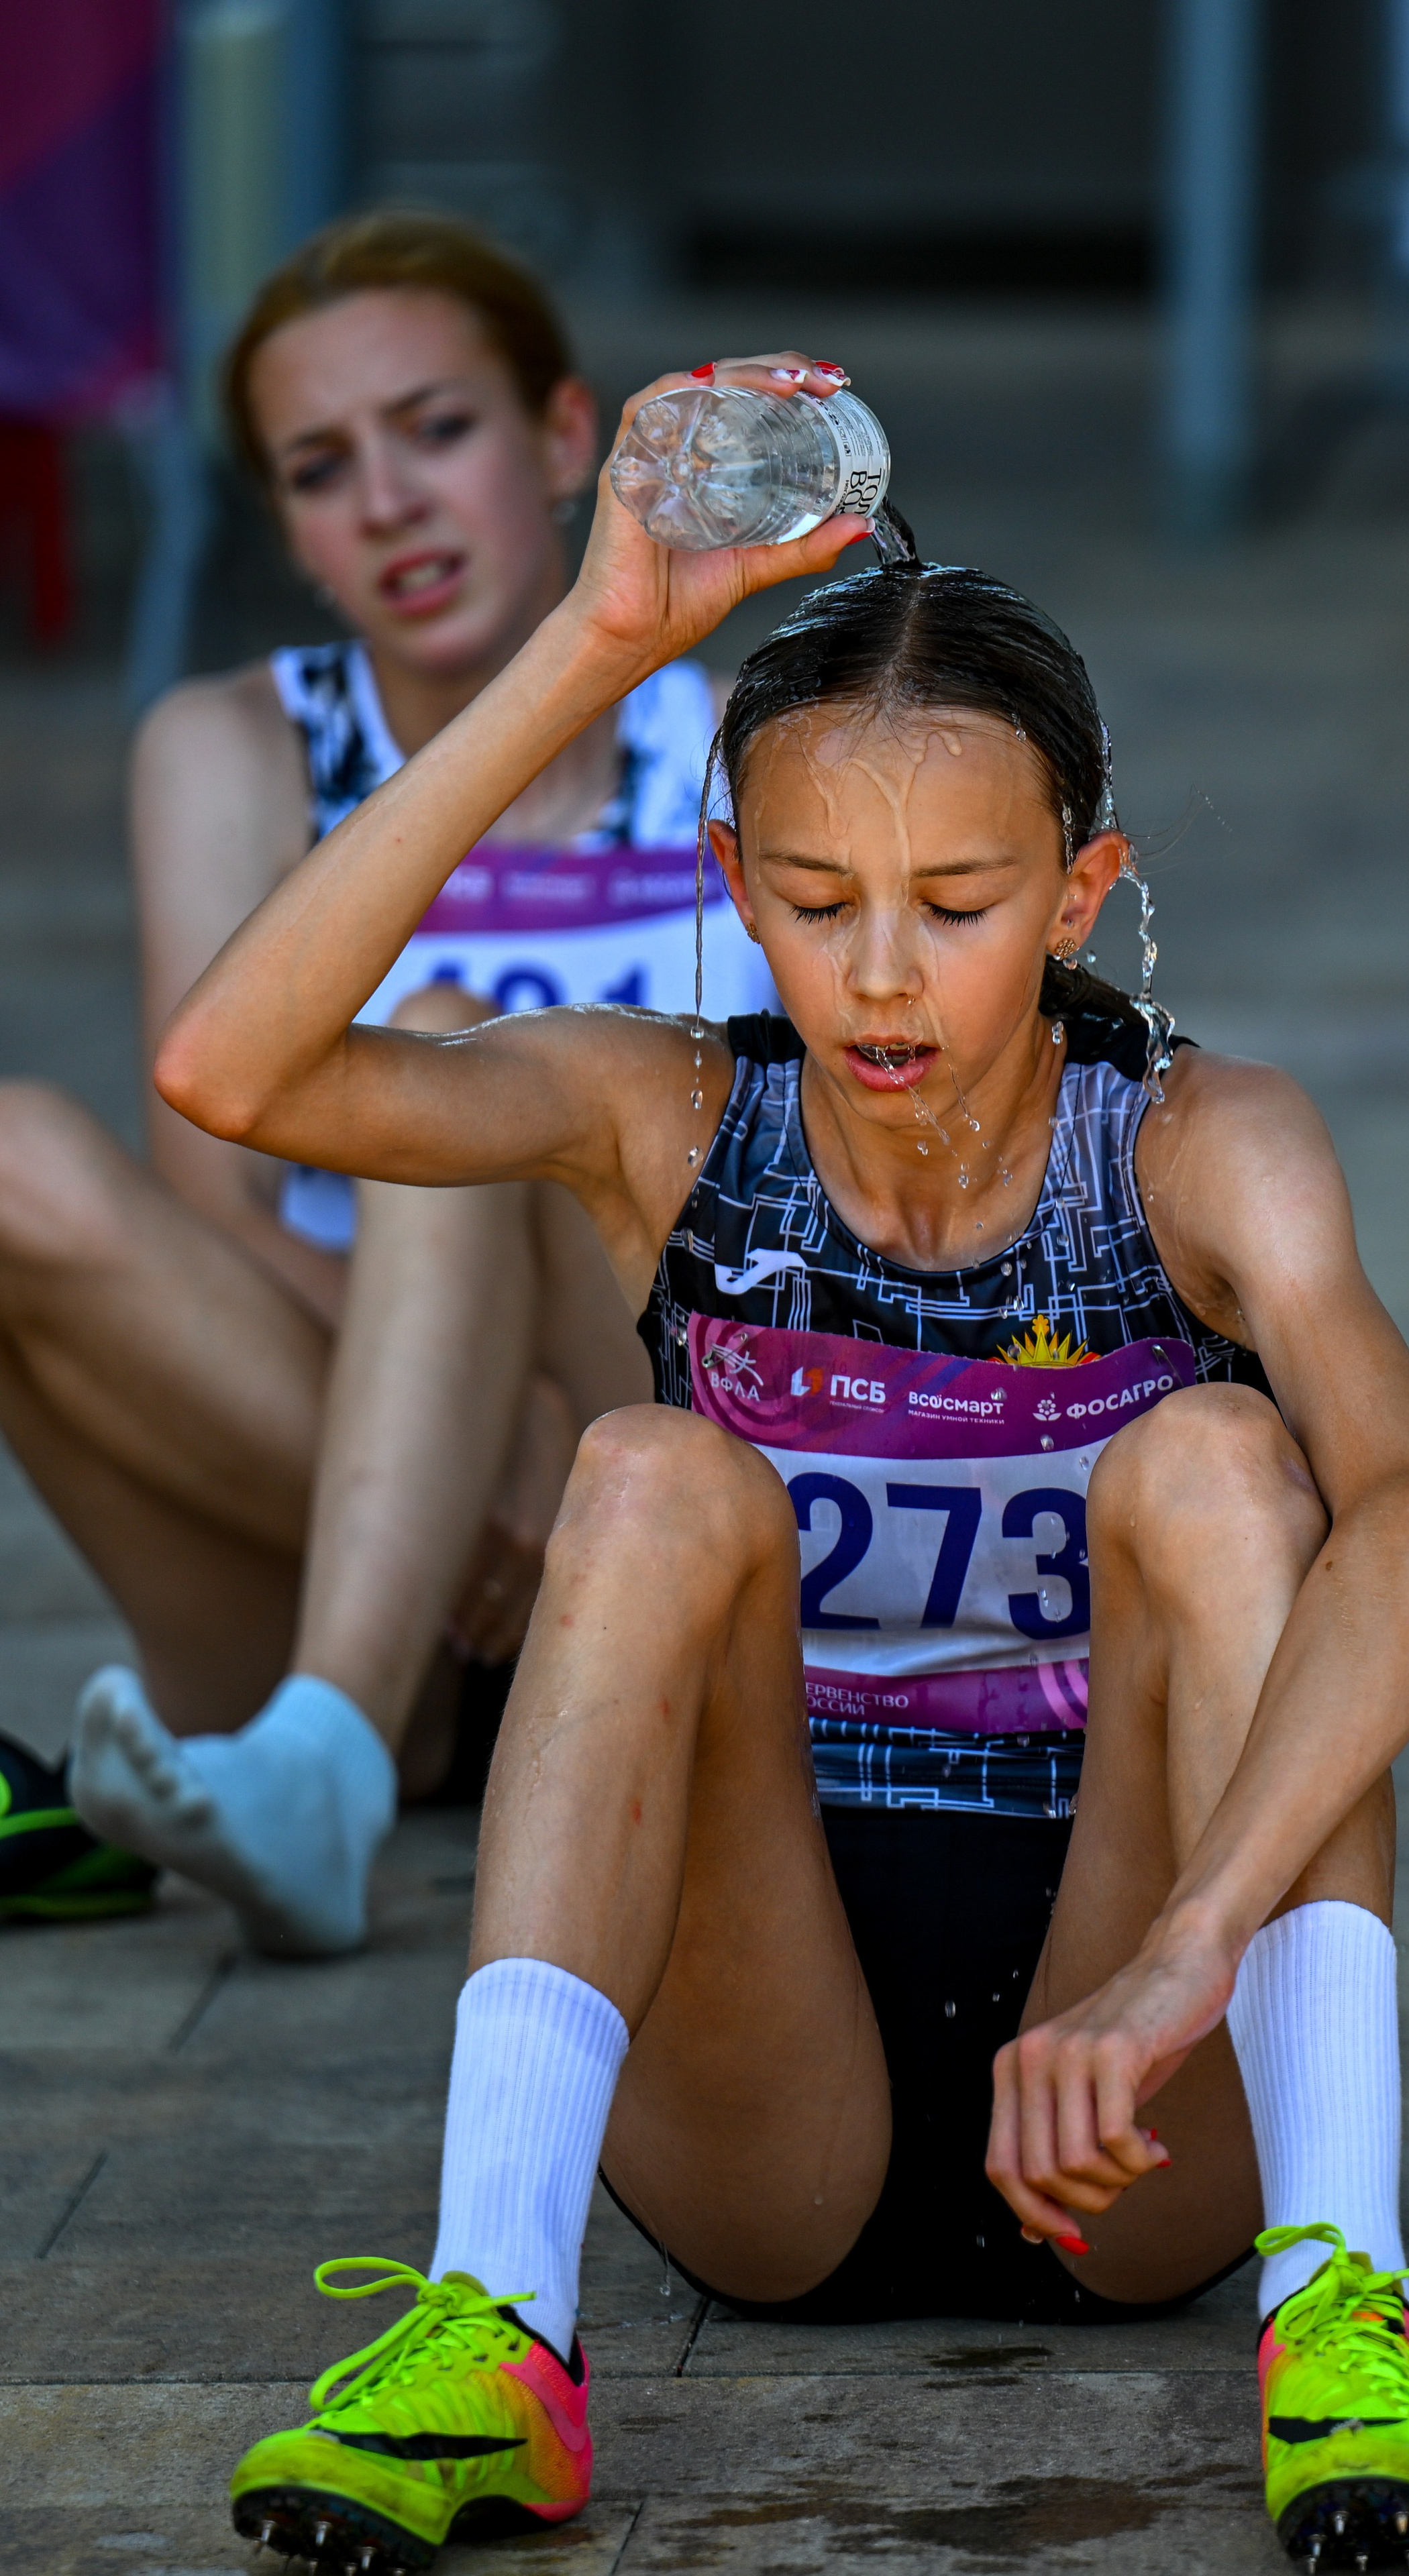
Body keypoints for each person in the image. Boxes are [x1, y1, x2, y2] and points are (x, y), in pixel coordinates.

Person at [157, 352, 1409, 2572]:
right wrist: (592, 646)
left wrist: (1185, 1960)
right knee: (649, 1474)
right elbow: (232, 1065)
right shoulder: (666, 1109)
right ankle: (497, 2327)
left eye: (960, 905)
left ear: (1082, 893)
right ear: (731, 887)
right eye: (813, 898)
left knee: (1225, 1468)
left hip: (1139, 2060)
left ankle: (1342, 2301)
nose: (884, 976)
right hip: (757, 2093)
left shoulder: (1199, 1144)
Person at [0, 211, 770, 1951]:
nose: (392, 502)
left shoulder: (726, 739)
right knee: (15, 1159)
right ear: (284, 525)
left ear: (565, 440)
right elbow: (220, 1198)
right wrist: (466, 1424)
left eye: (438, 428)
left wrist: (529, 1420)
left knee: (450, 1051)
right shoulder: (231, 746)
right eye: (321, 468)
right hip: (379, 1486)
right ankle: (332, 1735)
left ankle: (328, 1737)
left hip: (652, 1460)